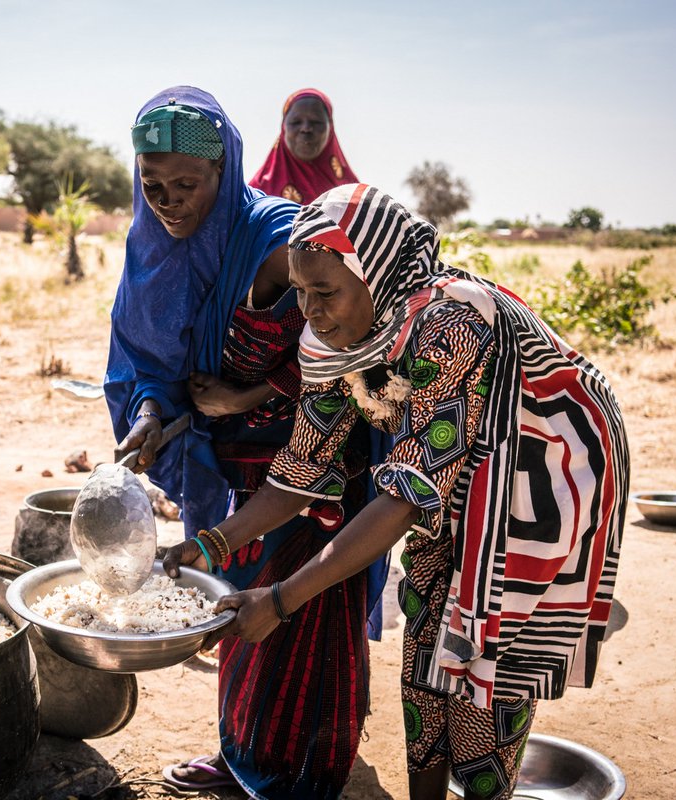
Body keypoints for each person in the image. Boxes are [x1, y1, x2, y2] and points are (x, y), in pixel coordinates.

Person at [166, 183, 629, 800]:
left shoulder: (450, 325)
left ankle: (488, 784)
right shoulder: (331, 342)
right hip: (456, 469)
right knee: (426, 645)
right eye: (299, 291)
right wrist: (209, 546)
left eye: (326, 291)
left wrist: (279, 601)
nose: (310, 310)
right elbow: (302, 467)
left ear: (375, 274)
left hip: (542, 462)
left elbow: (404, 499)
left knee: (483, 660)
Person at [105, 88, 388, 799]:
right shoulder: (151, 251)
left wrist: (246, 397)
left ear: (224, 170)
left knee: (298, 616)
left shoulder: (277, 239)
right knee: (238, 604)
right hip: (235, 467)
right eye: (152, 186)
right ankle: (244, 757)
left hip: (315, 460)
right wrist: (149, 413)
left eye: (187, 184)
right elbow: (152, 362)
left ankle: (296, 772)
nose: (169, 203)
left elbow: (341, 348)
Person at [249, 88, 358, 205]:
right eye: (296, 122)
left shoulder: (354, 197)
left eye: (316, 122)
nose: (306, 129)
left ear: (330, 127)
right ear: (283, 127)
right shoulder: (256, 197)